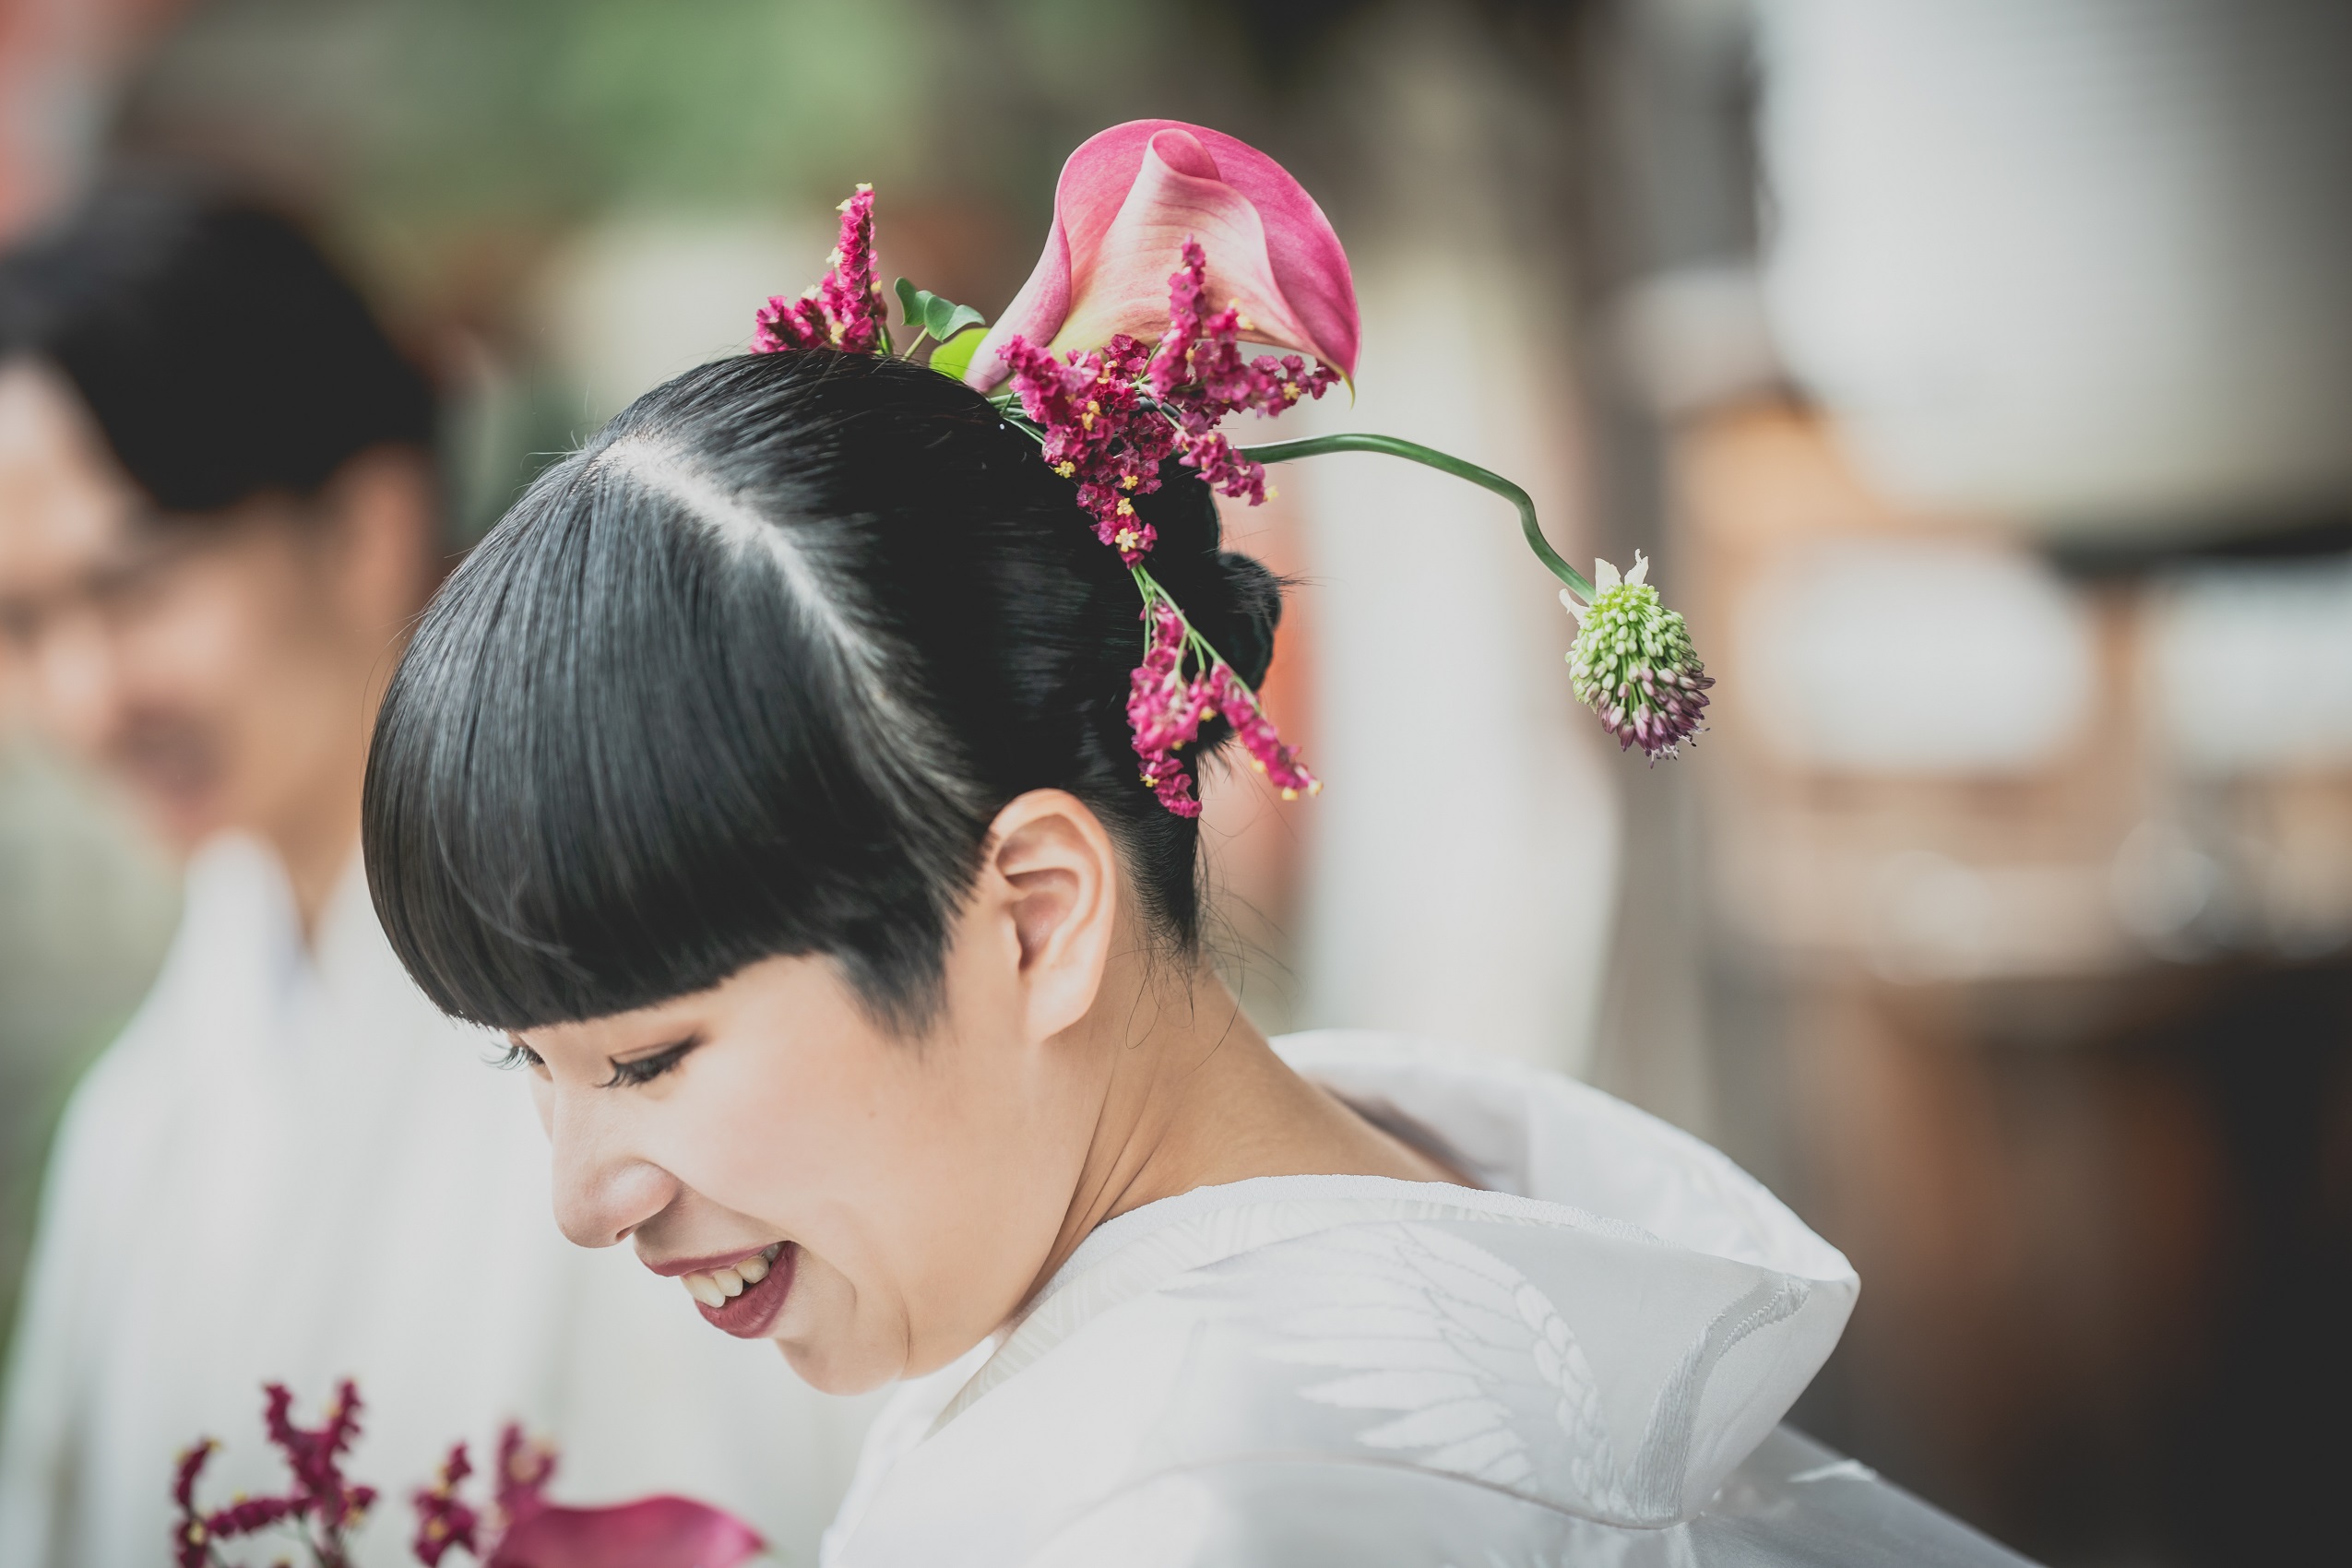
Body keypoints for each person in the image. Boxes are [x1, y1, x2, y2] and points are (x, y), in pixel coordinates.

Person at [358, 344, 1869, 1565]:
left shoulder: (1187, 1511)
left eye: (645, 1060)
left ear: (1033, 916)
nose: (581, 1202)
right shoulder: (1450, 1213)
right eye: (527, 1060)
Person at [0, 181, 873, 1567]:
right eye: (20, 622)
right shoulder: (146, 1107)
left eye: (134, 586)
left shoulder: (670, 969)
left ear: (363, 524)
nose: (83, 695)